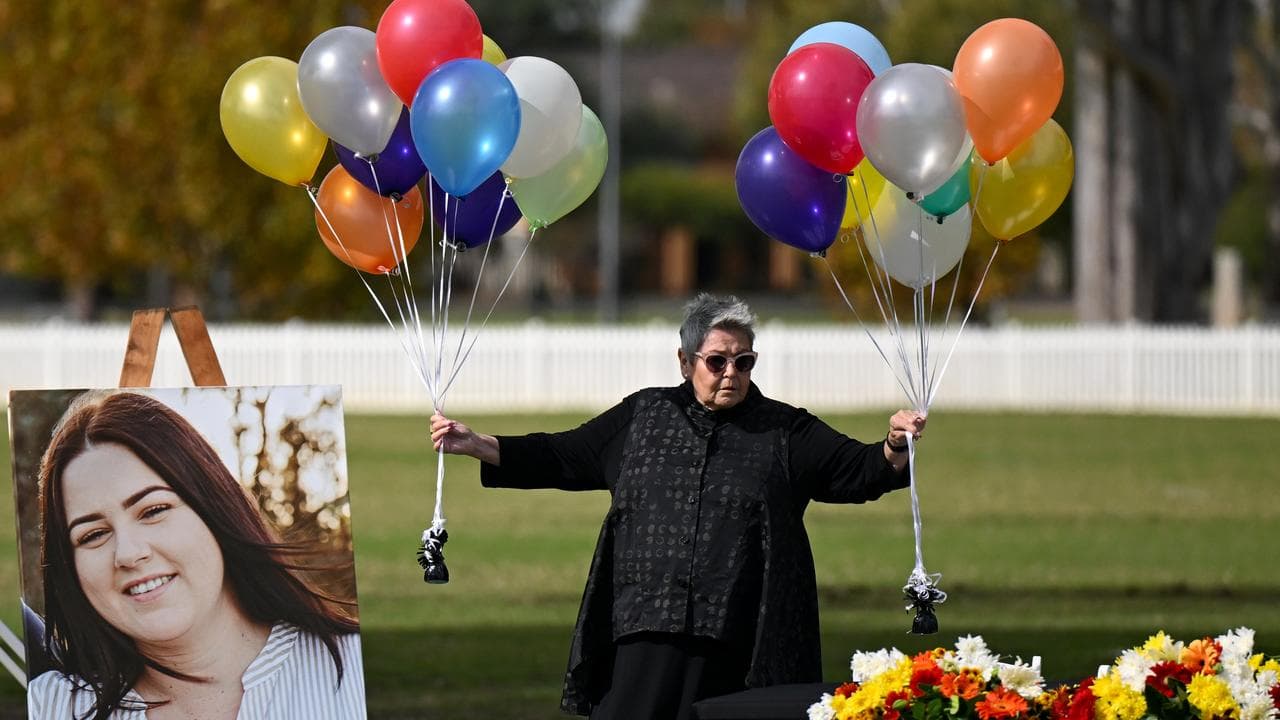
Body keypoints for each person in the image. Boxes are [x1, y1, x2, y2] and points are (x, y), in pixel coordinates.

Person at [431, 293, 926, 719]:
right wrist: (479, 444)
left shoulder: (786, 430)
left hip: (741, 639)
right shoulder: (643, 415)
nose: (731, 372)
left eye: (744, 361)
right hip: (643, 626)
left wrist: (894, 444)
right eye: (717, 361)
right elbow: (564, 454)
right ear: (686, 361)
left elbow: (859, 470)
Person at [27, 391, 366, 720]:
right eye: (93, 535)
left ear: (214, 509)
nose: (129, 553)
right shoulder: (50, 706)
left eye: (154, 510)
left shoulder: (355, 667)